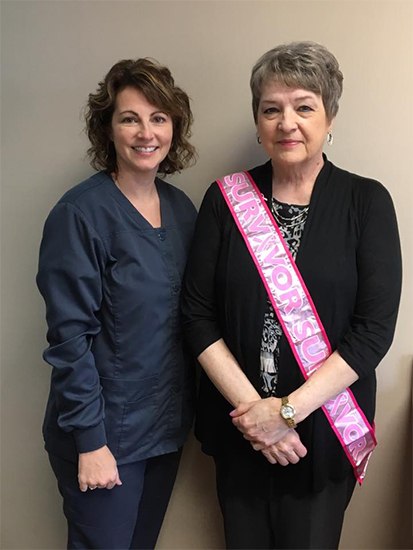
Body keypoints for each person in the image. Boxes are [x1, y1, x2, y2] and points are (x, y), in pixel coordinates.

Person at [181, 41, 402, 549]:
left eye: (304, 106)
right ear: (258, 123)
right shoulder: (225, 199)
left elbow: (373, 330)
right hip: (240, 429)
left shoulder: (366, 202)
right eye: (271, 109)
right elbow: (196, 314)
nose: (287, 122)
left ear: (329, 117)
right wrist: (256, 417)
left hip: (321, 433)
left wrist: (284, 414)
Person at [37, 58, 197, 550]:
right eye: (130, 118)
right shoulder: (79, 214)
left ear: (174, 128)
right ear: (108, 129)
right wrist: (91, 442)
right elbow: (69, 340)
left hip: (165, 429)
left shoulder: (182, 209)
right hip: (104, 436)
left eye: (159, 118)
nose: (146, 132)